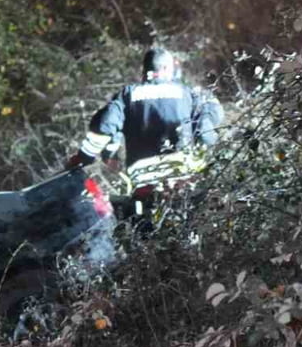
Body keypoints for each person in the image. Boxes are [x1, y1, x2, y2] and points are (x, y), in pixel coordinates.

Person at [67, 47, 224, 221]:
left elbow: (104, 126)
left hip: (144, 184)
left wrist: (84, 158)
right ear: (167, 68)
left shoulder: (128, 95)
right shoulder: (187, 93)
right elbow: (208, 126)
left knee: (141, 224)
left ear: (145, 70)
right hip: (182, 181)